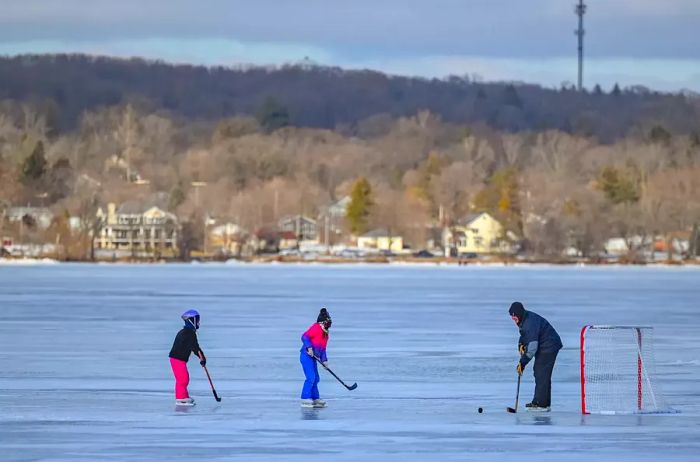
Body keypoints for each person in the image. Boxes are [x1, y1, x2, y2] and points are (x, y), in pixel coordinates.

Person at [509, 301, 562, 412]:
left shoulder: (529, 323)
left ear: (519, 314)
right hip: (547, 345)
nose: (513, 319)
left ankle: (540, 404)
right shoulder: (524, 319)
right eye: (512, 317)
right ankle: (544, 402)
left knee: (541, 372)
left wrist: (522, 362)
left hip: (548, 345)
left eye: (514, 316)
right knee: (541, 372)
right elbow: (525, 335)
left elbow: (532, 348)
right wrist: (521, 344)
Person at [168, 309, 207, 406]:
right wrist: (201, 357)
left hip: (177, 359)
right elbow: (194, 347)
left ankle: (184, 396)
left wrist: (201, 357)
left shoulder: (186, 332)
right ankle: (181, 398)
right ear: (191, 320)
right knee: (183, 379)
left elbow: (194, 346)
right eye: (197, 320)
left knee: (183, 378)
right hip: (177, 359)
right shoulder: (189, 333)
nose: (198, 322)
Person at [300, 308, 332, 408]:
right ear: (322, 322)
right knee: (311, 377)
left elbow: (322, 349)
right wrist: (309, 347)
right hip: (306, 356)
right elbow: (304, 336)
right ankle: (305, 398)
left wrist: (325, 361)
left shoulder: (325, 334)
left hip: (314, 358)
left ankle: (315, 398)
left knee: (316, 378)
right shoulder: (316, 327)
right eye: (327, 321)